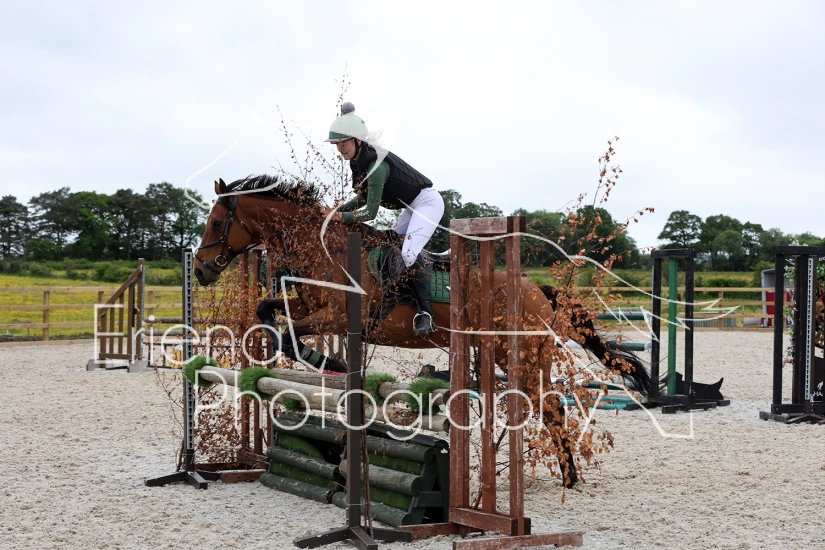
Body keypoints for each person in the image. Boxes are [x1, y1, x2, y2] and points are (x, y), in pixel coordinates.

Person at [320, 102, 445, 336]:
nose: (340, 149)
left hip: (427, 203)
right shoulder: (358, 161)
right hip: (411, 207)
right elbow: (362, 198)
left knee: (408, 252)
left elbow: (370, 213)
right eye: (337, 144)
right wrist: (335, 212)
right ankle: (398, 294)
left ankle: (426, 314)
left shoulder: (375, 165)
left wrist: (338, 216)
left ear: (358, 140)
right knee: (390, 246)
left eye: (344, 143)